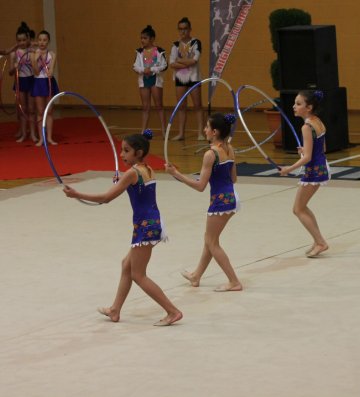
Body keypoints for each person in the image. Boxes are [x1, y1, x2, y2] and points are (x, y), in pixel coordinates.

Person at [63, 130, 183, 326]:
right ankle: (115, 310)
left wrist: (77, 194)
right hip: (151, 223)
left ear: (139, 152)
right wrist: (123, 182)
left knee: (138, 274)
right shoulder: (147, 169)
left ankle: (172, 311)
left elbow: (105, 198)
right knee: (126, 265)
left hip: (145, 226)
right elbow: (137, 189)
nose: (122, 154)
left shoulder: (132, 173)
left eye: (126, 151)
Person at [165, 113, 243, 292]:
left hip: (220, 202)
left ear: (214, 132)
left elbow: (200, 186)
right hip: (231, 198)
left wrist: (176, 174)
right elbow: (234, 178)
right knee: (209, 239)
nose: (204, 130)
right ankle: (196, 275)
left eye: (207, 127)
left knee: (212, 242)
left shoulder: (210, 154)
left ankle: (234, 281)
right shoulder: (229, 149)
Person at [279, 90, 329, 258]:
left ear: (309, 107)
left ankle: (321, 242)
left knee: (298, 209)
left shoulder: (306, 127)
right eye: (295, 103)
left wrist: (288, 169)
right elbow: (322, 149)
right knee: (302, 207)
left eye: (298, 104)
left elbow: (307, 158)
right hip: (321, 168)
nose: (294, 106)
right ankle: (318, 240)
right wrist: (306, 150)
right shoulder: (318, 122)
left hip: (313, 171)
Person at [169, 17, 205, 141]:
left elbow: (194, 60)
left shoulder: (196, 43)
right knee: (181, 106)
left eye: (185, 29)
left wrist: (179, 61)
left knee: (198, 105)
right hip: (180, 78)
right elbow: (171, 63)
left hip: (193, 77)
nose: (183, 32)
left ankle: (201, 132)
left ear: (190, 29)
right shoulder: (175, 45)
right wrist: (186, 63)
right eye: (180, 29)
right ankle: (181, 133)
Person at [133, 25, 167, 136]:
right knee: (145, 106)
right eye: (141, 38)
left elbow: (164, 65)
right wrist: (143, 70)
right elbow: (135, 66)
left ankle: (164, 130)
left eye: (145, 38)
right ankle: (143, 130)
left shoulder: (160, 51)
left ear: (152, 39)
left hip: (155, 79)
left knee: (159, 105)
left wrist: (152, 69)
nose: (142, 40)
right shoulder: (139, 52)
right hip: (144, 80)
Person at [9, 22, 36, 143]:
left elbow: (37, 68)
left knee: (31, 109)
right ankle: (24, 134)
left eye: (24, 40)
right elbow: (10, 72)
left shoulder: (32, 51)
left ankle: (33, 134)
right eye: (19, 40)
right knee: (22, 108)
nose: (22, 42)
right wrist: (14, 67)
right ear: (16, 40)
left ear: (28, 39)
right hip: (20, 81)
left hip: (30, 80)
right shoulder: (14, 53)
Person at [31, 30, 59, 146]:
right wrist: (35, 59)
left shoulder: (52, 55)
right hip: (38, 83)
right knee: (40, 111)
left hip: (48, 82)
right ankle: (41, 138)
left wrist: (50, 71)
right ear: (38, 41)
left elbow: (51, 71)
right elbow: (36, 72)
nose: (42, 42)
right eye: (40, 40)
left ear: (48, 41)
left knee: (49, 111)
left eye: (45, 40)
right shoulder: (33, 54)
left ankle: (49, 138)